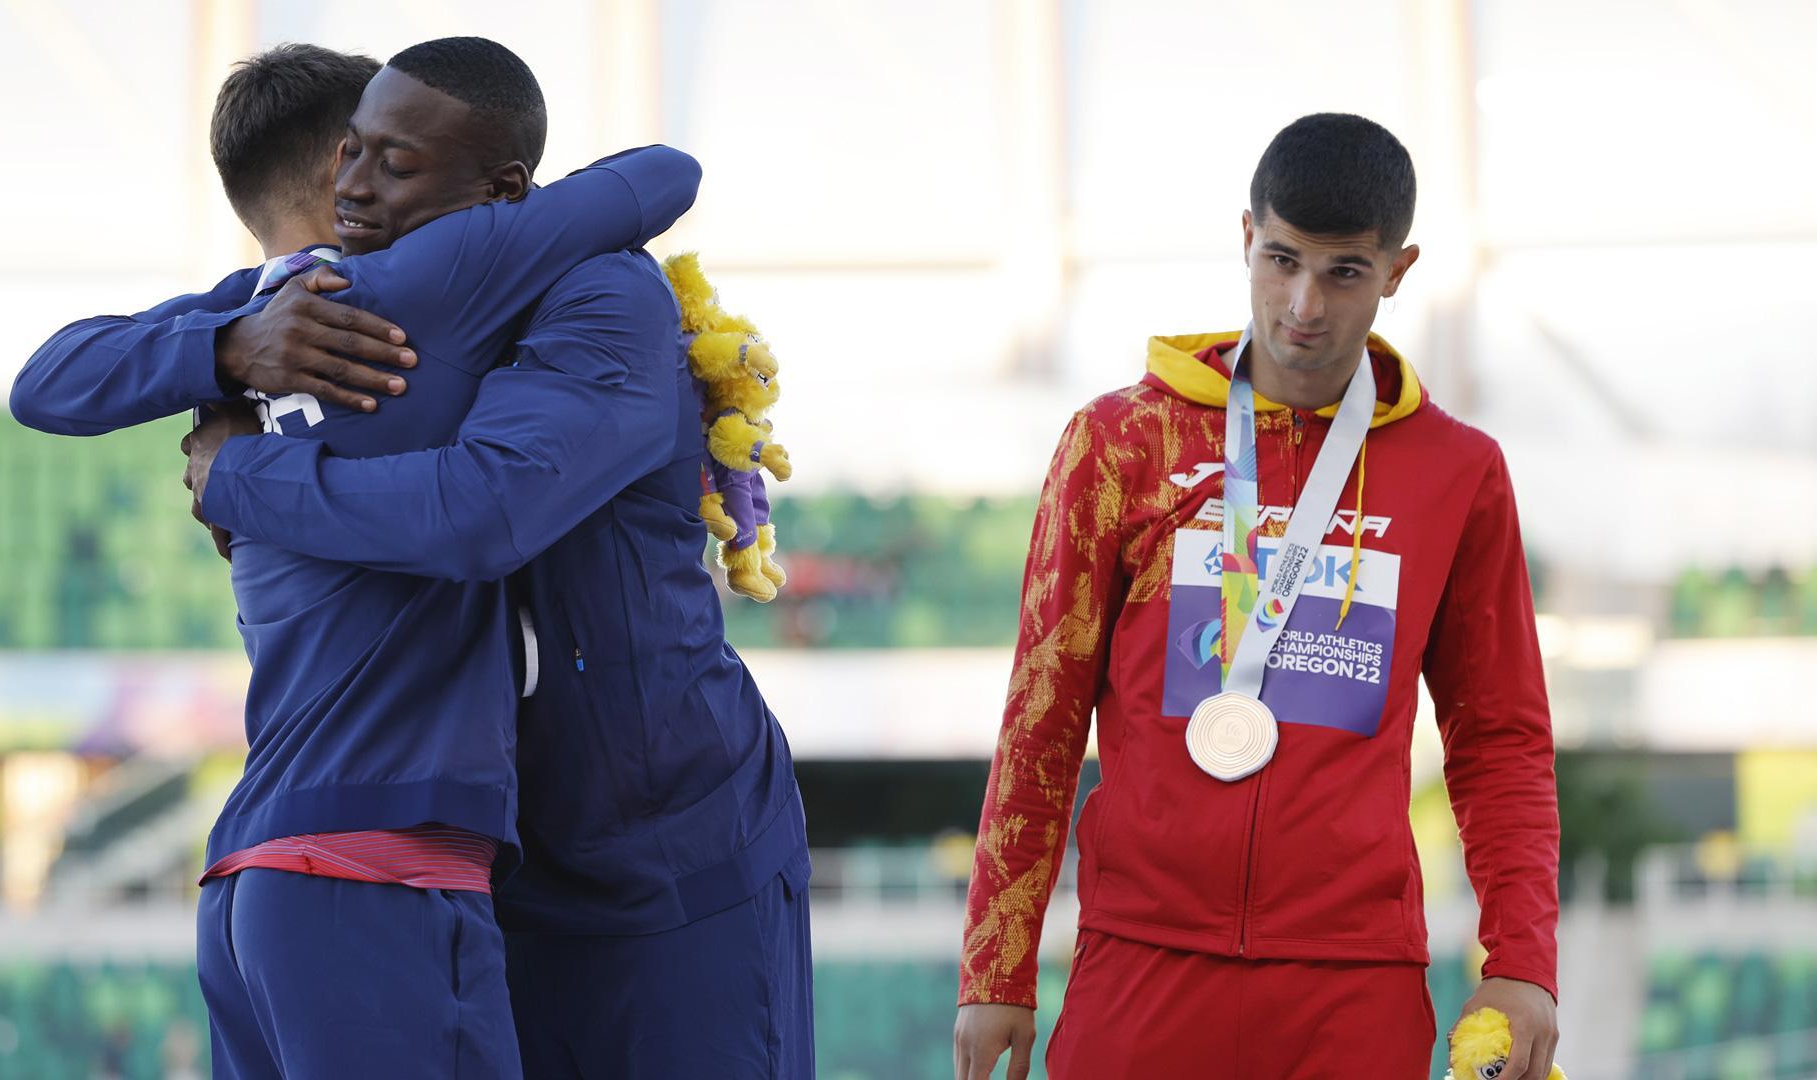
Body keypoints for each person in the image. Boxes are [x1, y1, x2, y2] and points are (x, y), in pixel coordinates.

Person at [12, 39, 701, 1077]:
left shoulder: (238, 317)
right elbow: (661, 176)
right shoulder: (444, 275)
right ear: (346, 158)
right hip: (382, 867)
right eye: (377, 148)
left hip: (252, 878)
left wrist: (223, 357)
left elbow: (43, 382)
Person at [179, 74, 815, 1080]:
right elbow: (69, 370)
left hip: (672, 855)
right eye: (351, 158)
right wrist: (222, 355)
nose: (359, 191)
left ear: (498, 188)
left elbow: (484, 513)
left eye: (394, 161)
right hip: (494, 863)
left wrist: (243, 479)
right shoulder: (322, 322)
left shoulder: (605, 292)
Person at [951, 113, 1559, 1080]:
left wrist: (1523, 962)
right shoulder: (1120, 443)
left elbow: (1499, 740)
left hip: (1353, 981)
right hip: (1141, 960)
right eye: (1281, 260)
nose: (1303, 304)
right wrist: (997, 967)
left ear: (1398, 271)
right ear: (1246, 238)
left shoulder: (1458, 473)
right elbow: (1043, 714)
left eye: (1344, 271)